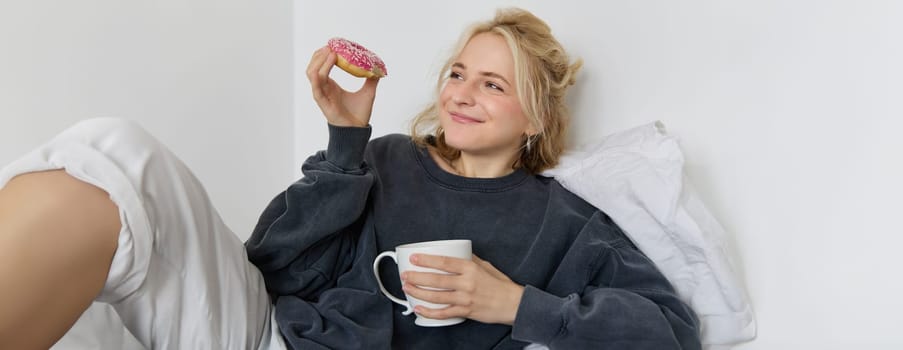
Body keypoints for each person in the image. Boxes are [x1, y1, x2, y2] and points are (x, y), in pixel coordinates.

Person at [0, 7, 701, 350]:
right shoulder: (389, 158)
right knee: (113, 147)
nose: (460, 93)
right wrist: (344, 144)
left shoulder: (562, 222)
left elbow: (672, 331)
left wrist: (512, 304)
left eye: (492, 84)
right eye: (458, 73)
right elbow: (272, 265)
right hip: (268, 334)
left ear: (535, 118)